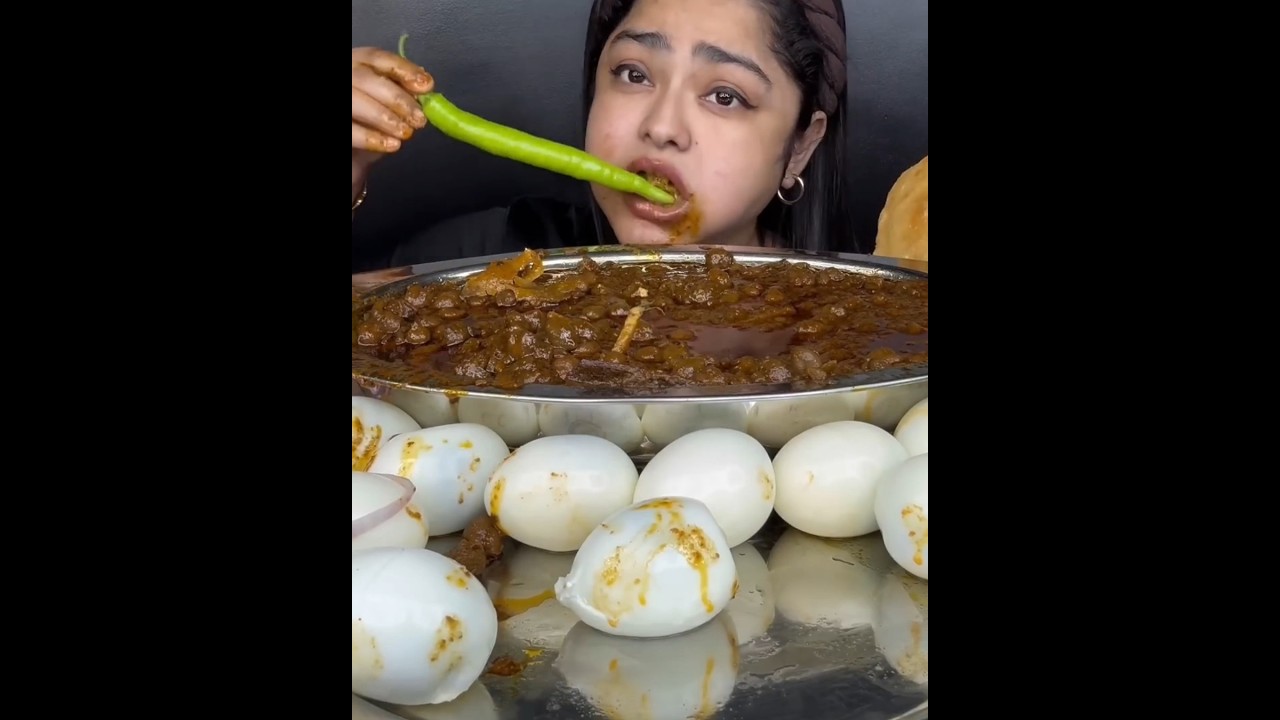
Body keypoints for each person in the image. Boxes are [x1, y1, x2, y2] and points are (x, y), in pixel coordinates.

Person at [351, 0, 853, 267]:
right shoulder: (481, 258)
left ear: (801, 146)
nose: (660, 127)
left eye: (725, 96)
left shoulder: (862, 316)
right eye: (634, 74)